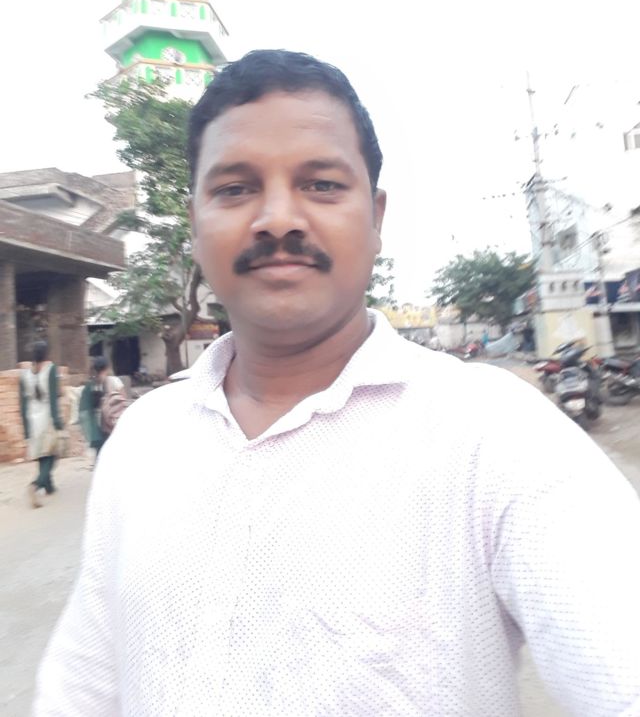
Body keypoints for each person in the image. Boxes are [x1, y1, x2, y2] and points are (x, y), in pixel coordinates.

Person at [34, 51, 640, 716]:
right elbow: (82, 682)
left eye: (321, 184)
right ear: (195, 226)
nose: (278, 218)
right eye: (234, 189)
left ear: (376, 219)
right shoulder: (144, 439)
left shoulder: (498, 438)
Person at [19, 340, 63, 507]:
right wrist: (57, 421)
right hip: (47, 417)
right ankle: (36, 485)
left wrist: (25, 428)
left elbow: (23, 403)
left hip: (32, 417)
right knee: (52, 454)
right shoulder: (51, 369)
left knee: (42, 453)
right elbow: (53, 398)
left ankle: (49, 486)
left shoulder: (25, 374)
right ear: (47, 353)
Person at [78, 357, 124, 461]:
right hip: (107, 422)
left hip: (98, 423)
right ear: (106, 368)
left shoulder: (93, 383)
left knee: (101, 452)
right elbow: (122, 399)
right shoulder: (111, 381)